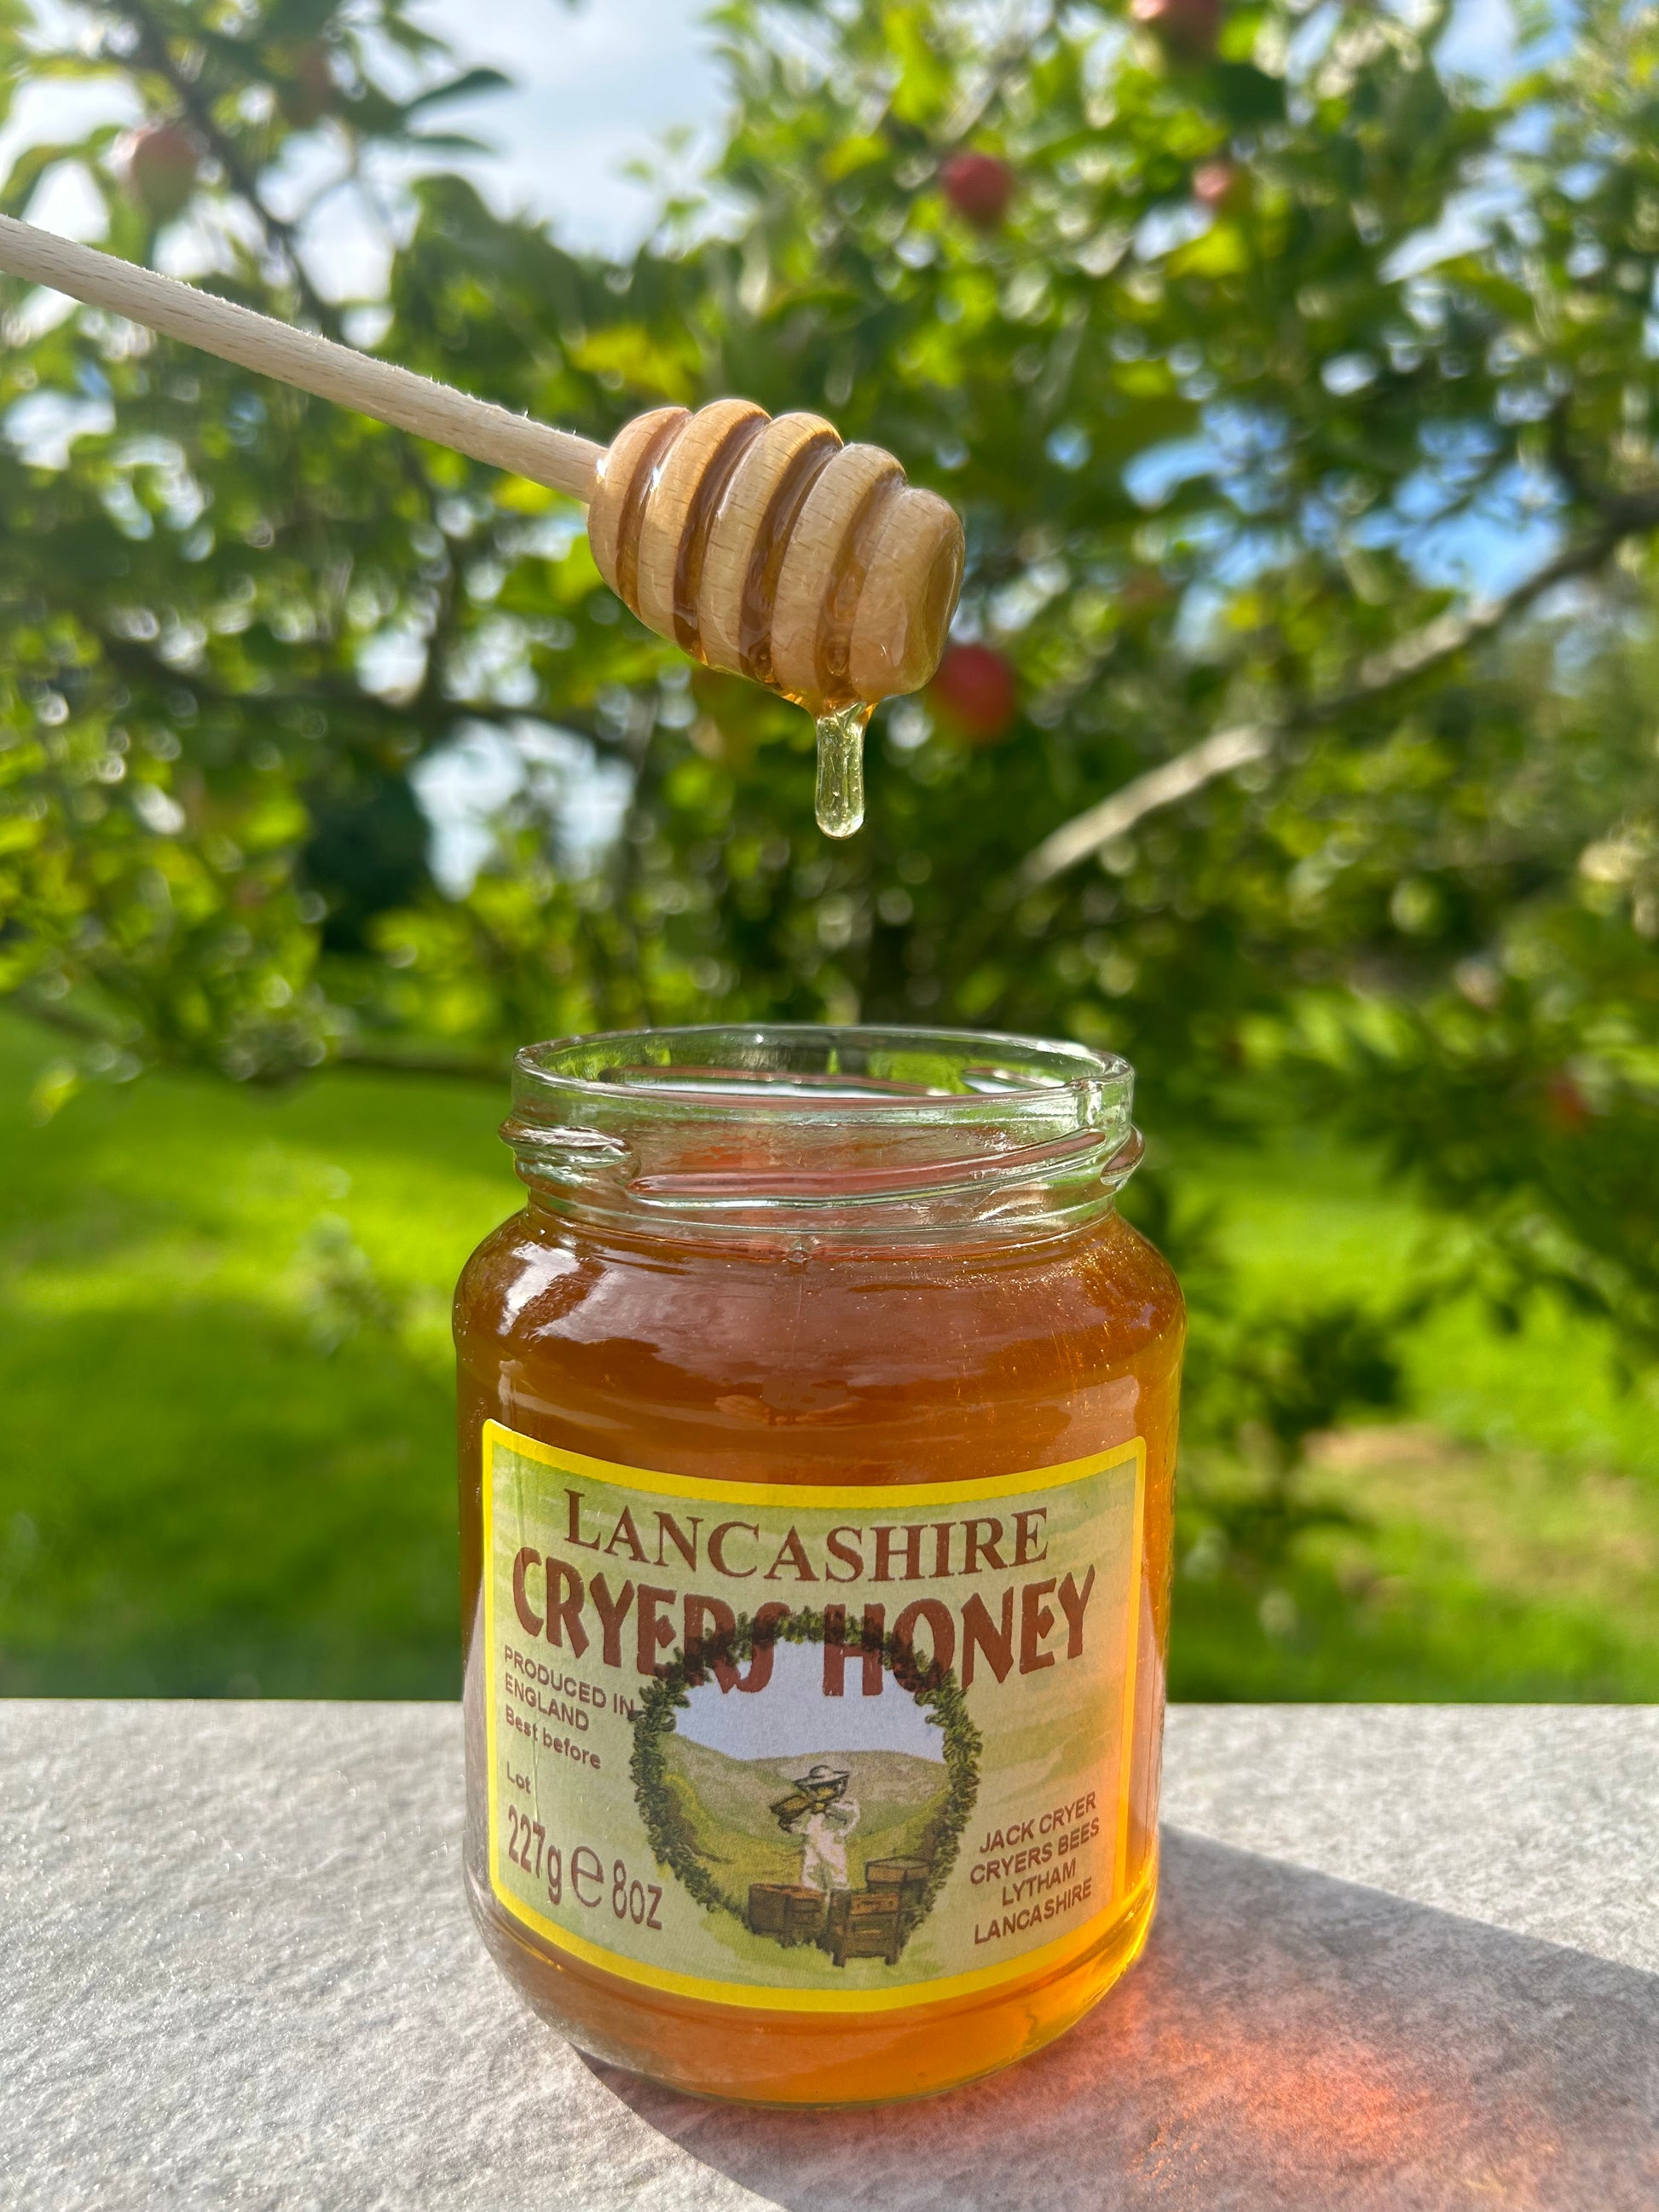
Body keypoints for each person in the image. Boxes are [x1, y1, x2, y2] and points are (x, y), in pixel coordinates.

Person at [785, 1764, 859, 1892]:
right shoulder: (812, 1812)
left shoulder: (846, 1806)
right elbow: (805, 1830)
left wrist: (826, 1807)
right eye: (815, 1788)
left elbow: (852, 1815)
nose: (817, 1792)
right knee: (810, 1889)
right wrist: (790, 1826)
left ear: (834, 1786)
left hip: (834, 1855)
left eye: (822, 1787)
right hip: (812, 1856)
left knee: (838, 1887)